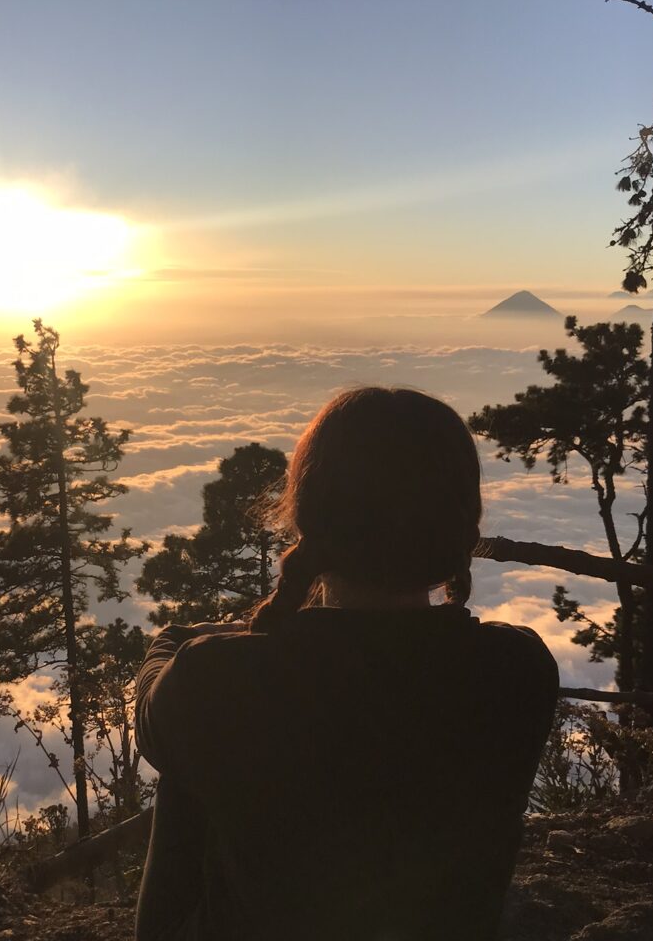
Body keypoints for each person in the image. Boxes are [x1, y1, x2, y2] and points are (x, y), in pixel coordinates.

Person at [134, 387, 559, 941]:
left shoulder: (221, 678)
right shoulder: (518, 666)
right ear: (461, 522)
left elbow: (154, 710)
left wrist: (196, 640)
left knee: (190, 761)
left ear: (311, 514)